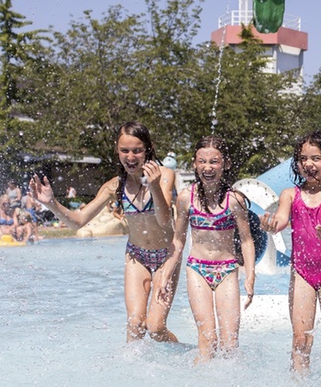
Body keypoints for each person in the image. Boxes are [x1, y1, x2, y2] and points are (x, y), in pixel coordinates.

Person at [29, 121, 179, 342]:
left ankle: (179, 354)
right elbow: (78, 221)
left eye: (137, 150)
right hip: (137, 256)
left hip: (166, 256)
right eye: (124, 150)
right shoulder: (114, 186)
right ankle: (130, 363)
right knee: (135, 324)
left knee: (156, 328)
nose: (130, 157)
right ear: (117, 151)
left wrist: (154, 186)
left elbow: (165, 221)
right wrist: (51, 203)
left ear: (148, 149)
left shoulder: (164, 176)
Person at [157, 135, 256, 363]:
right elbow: (178, 241)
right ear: (194, 163)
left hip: (227, 270)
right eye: (202, 161)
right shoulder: (186, 198)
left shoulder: (234, 200)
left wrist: (250, 275)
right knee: (207, 340)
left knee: (230, 345)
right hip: (197, 270)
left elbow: (246, 240)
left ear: (225, 164)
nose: (208, 167)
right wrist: (165, 274)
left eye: (214, 161)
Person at [261, 131, 321, 373]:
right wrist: (271, 224)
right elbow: (281, 220)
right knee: (301, 339)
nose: (308, 164)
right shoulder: (290, 194)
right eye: (303, 159)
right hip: (302, 273)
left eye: (316, 158)